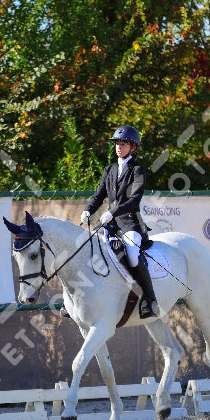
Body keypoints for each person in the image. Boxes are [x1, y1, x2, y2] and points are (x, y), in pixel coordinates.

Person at [80, 125, 159, 318]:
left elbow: (134, 200)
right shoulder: (109, 170)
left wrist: (113, 211)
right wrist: (88, 210)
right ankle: (78, 301)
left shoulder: (138, 170)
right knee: (88, 249)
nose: (118, 147)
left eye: (123, 144)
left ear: (133, 147)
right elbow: (98, 196)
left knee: (131, 254)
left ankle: (150, 299)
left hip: (130, 223)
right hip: (109, 224)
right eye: (116, 143)